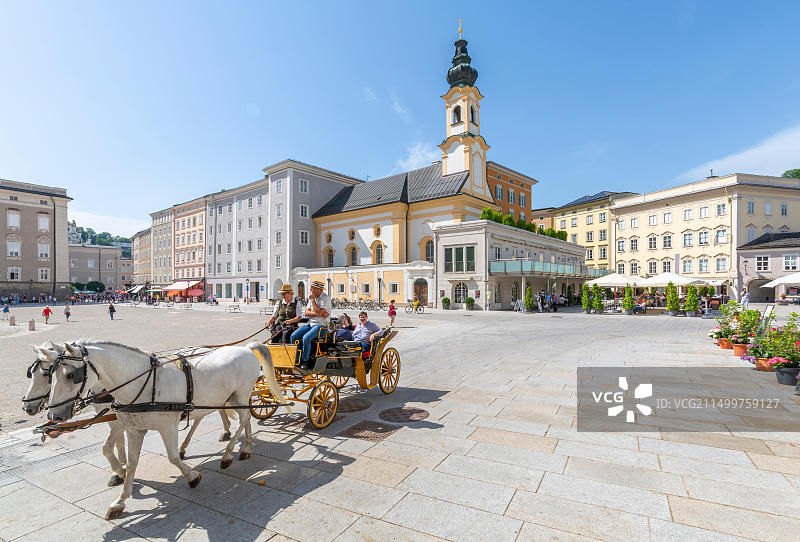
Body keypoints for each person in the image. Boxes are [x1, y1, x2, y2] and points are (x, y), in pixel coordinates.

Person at [290, 280, 331, 370]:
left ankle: (305, 361)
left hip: (321, 325)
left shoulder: (326, 298)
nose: (311, 290)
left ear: (318, 289)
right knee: (294, 336)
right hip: (310, 323)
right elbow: (307, 313)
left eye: (312, 289)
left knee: (306, 338)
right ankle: (297, 359)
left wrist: (313, 301)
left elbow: (318, 312)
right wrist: (318, 313)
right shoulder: (312, 297)